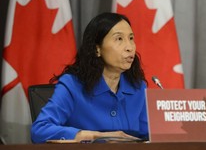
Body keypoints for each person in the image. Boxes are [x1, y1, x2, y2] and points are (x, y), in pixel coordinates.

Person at [31, 12, 149, 143]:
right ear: (97, 48)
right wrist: (92, 136)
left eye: (131, 38)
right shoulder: (73, 85)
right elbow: (40, 130)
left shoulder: (138, 88)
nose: (129, 47)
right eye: (119, 39)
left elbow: (148, 136)